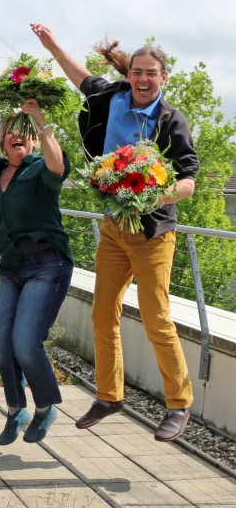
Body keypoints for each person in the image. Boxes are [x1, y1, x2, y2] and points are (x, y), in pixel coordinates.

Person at [31, 23, 199, 442]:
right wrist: (51, 44)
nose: (143, 79)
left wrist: (152, 198)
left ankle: (179, 405)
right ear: (130, 75)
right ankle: (110, 396)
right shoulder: (111, 98)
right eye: (137, 72)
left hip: (153, 233)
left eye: (151, 73)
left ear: (163, 78)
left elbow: (189, 181)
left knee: (156, 318)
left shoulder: (170, 120)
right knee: (102, 312)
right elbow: (78, 76)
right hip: (112, 230)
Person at [0, 100, 72, 445]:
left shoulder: (39, 170)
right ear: (2, 140)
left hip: (48, 265)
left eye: (24, 132)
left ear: (31, 141)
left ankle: (46, 407)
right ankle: (17, 409)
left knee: (26, 342)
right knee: (2, 342)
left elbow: (58, 164)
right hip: (13, 270)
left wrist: (40, 120)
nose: (17, 136)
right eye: (10, 131)